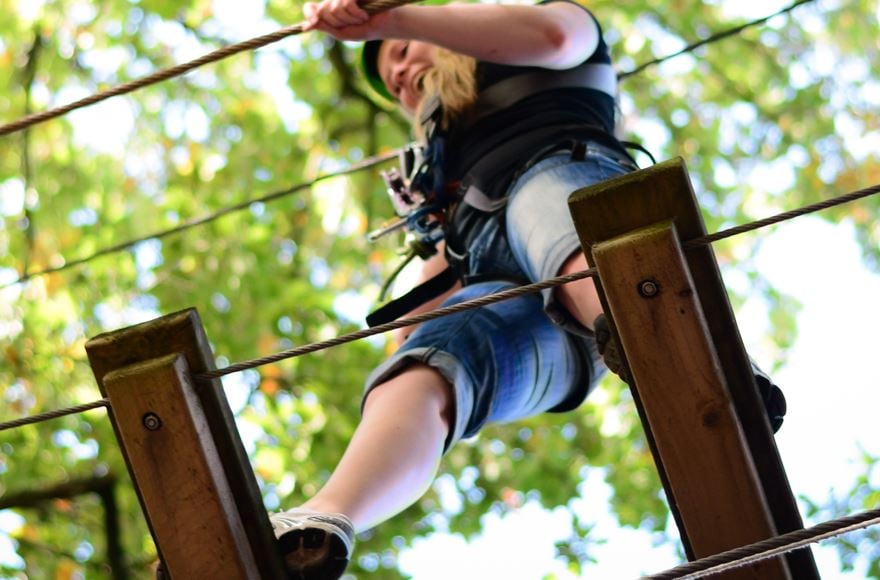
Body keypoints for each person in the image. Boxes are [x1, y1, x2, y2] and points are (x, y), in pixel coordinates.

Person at [268, 2, 786, 578]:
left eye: (402, 49)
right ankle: (318, 524)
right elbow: (420, 323)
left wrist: (395, 19)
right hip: (553, 322)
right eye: (390, 72)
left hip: (578, 213)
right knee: (424, 368)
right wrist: (432, 239)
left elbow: (552, 35)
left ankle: (693, 361)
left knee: (541, 202)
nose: (396, 70)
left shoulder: (555, 36)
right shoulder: (444, 173)